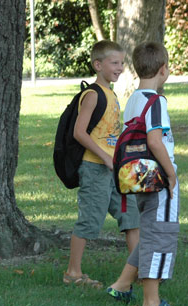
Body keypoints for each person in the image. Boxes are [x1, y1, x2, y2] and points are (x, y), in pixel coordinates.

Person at [106, 41, 180, 306]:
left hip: (138, 179)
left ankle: (122, 285)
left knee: (149, 232)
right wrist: (171, 175)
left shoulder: (134, 99)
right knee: (160, 235)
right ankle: (152, 303)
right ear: (163, 70)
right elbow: (155, 141)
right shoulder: (156, 100)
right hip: (159, 179)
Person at [63, 40, 140, 288]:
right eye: (114, 63)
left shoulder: (111, 93)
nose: (120, 67)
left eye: (122, 63)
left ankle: (138, 271)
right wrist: (105, 157)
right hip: (95, 168)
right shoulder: (93, 94)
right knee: (90, 220)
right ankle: (73, 273)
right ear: (98, 64)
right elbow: (79, 132)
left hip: (115, 169)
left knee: (131, 216)